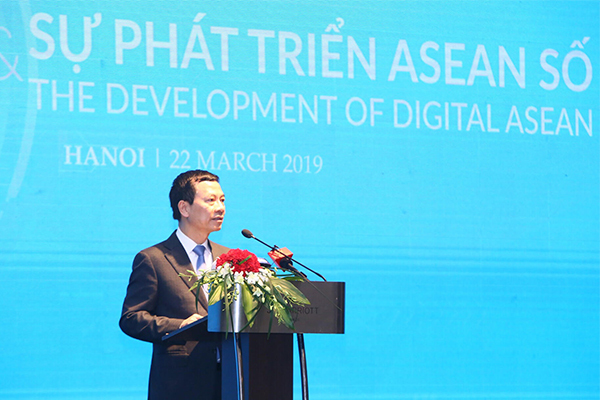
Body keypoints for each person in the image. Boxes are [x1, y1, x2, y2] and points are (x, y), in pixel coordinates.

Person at [119, 170, 229, 400]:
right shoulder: (154, 259)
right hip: (180, 384)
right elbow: (131, 318)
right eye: (210, 200)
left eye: (222, 200)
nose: (220, 208)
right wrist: (180, 325)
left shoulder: (229, 258)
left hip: (230, 381)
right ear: (184, 208)